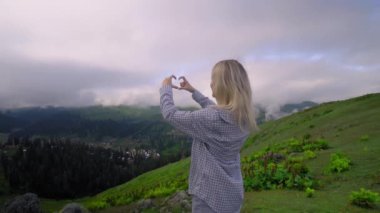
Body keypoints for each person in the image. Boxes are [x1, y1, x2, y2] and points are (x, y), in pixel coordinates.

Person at [159, 59, 259, 213]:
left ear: (225, 85)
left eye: (214, 79)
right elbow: (216, 111)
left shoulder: (212, 118)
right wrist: (193, 92)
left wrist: (165, 88)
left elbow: (170, 114)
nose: (211, 83)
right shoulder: (244, 117)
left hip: (209, 197)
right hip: (231, 193)